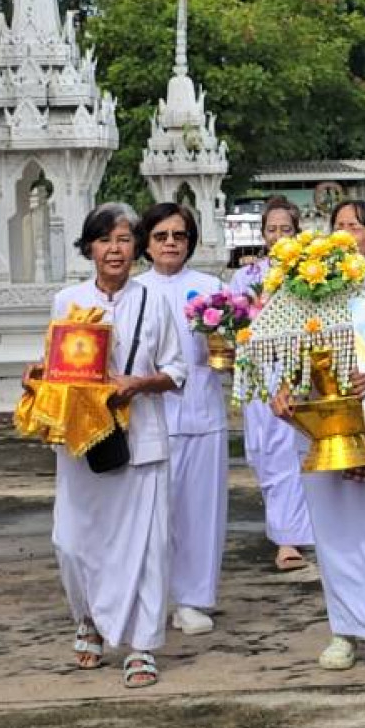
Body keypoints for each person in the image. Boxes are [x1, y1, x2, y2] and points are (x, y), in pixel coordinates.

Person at [35, 204, 186, 689]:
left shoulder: (154, 301)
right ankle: (89, 619)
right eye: (104, 240)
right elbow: (53, 366)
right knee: (72, 541)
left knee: (143, 547)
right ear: (89, 249)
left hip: (141, 441)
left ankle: (141, 646)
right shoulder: (67, 301)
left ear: (135, 246)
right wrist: (37, 381)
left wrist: (139, 384)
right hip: (82, 441)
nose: (114, 250)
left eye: (123, 239)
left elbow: (177, 370)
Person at [269, 262, 365, 681]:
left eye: (356, 231)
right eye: (339, 231)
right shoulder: (294, 293)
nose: (346, 237)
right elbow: (276, 359)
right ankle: (345, 630)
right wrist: (281, 392)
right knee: (333, 533)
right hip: (318, 429)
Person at [142, 202, 226, 636]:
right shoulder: (135, 292)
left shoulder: (211, 288)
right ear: (146, 243)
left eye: (179, 235)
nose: (170, 243)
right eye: (161, 236)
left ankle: (192, 599)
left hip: (202, 412)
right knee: (149, 515)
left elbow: (233, 347)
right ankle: (150, 597)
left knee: (199, 512)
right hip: (149, 418)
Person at [234, 197, 316, 570]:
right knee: (264, 450)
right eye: (272, 229)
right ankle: (288, 529)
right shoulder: (247, 276)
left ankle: (288, 539)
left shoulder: (312, 271)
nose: (278, 235)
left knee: (292, 449)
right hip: (259, 371)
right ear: (262, 233)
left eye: (286, 229)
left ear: (297, 232)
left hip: (299, 368)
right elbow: (235, 321)